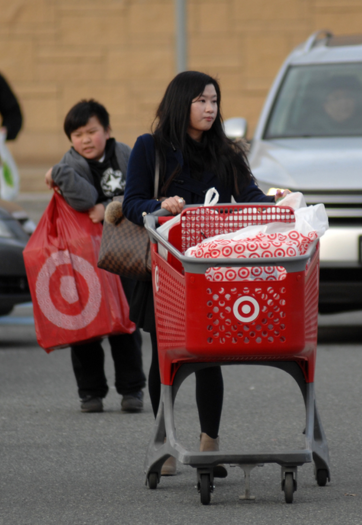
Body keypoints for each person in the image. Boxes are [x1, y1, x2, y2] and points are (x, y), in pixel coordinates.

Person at [122, 71, 289, 476]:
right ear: (182, 104)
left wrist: (274, 201)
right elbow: (131, 203)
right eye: (201, 100)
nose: (210, 108)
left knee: (208, 354)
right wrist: (162, 204)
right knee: (166, 355)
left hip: (213, 269)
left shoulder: (227, 152)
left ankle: (208, 444)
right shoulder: (150, 148)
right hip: (166, 266)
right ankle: (164, 441)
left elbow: (249, 196)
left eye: (214, 101)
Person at [45, 99, 146, 413]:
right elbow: (84, 200)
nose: (86, 140)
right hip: (83, 256)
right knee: (86, 323)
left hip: (124, 253)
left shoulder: (126, 154)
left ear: (107, 130)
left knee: (126, 322)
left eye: (92, 131)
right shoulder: (70, 163)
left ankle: (132, 390)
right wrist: (61, 173)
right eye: (77, 135)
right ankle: (90, 393)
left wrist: (110, 207)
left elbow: (141, 192)